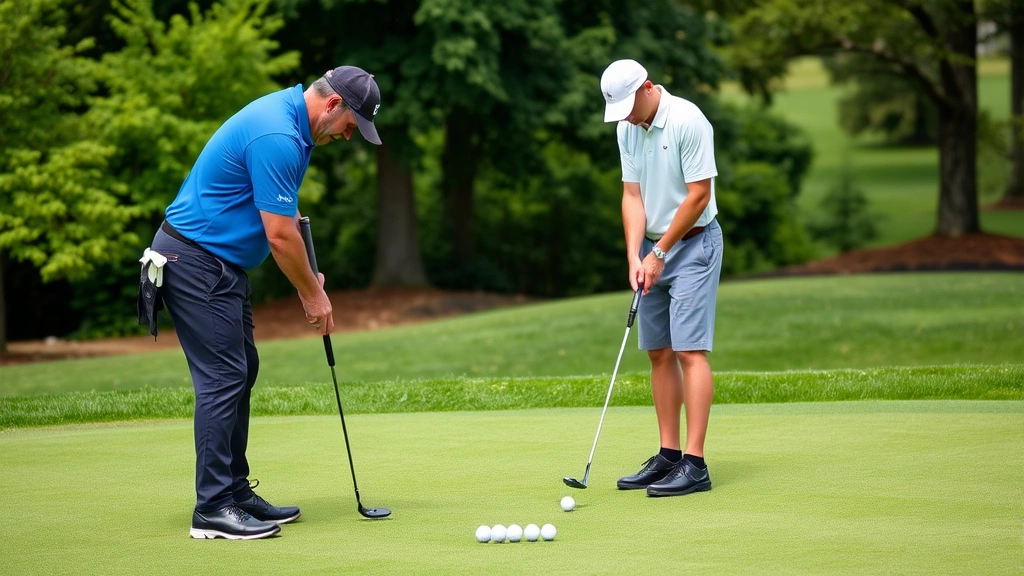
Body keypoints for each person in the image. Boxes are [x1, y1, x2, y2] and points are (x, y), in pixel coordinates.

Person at [143, 66, 382, 539]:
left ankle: (233, 490)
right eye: (353, 126)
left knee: (241, 368)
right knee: (223, 377)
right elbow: (277, 236)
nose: (351, 137)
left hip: (220, 266)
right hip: (193, 260)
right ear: (334, 105)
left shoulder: (295, 127)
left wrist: (309, 276)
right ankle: (211, 509)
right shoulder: (279, 133)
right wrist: (312, 295)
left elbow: (285, 213)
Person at [600, 59, 724, 497]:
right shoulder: (626, 128)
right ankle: (669, 454)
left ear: (647, 88)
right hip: (653, 247)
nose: (626, 118)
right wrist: (635, 254)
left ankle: (695, 463)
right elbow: (631, 195)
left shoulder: (689, 120)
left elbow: (699, 196)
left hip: (693, 244)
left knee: (690, 350)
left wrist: (660, 253)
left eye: (629, 107)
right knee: (658, 351)